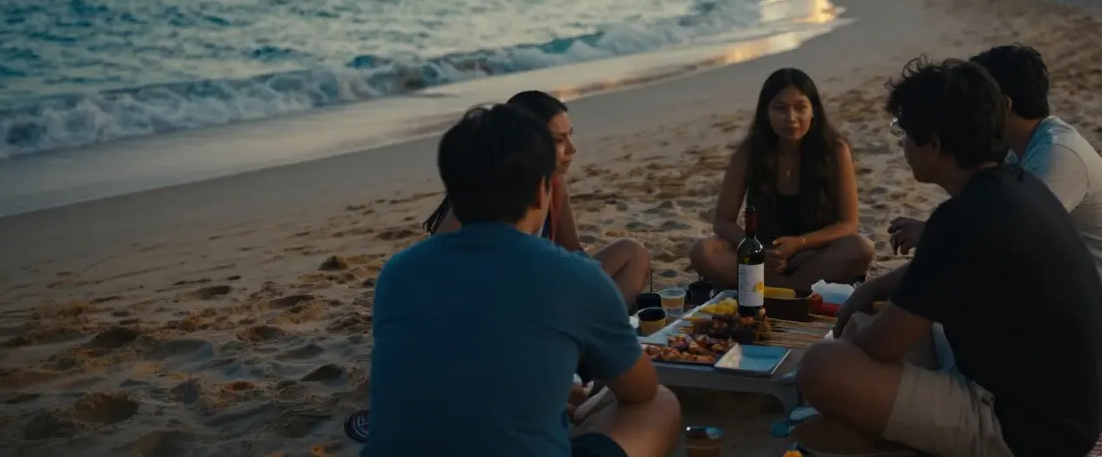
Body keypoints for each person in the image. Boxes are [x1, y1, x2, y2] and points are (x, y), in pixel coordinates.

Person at [796, 57, 1102, 457]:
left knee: (822, 367)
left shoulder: (963, 218)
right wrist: (874, 289)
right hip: (1067, 409)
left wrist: (854, 349)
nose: (902, 144)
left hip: (1026, 430)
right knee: (867, 319)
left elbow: (883, 348)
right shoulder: (1016, 188)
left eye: (905, 132)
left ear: (934, 144)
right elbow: (942, 276)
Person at [366, 104, 682, 457]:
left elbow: (437, 372)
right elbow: (640, 390)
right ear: (540, 191)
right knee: (660, 405)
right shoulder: (575, 276)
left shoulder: (397, 273)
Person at [890, 45, 1102, 348]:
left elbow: (1000, 241)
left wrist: (930, 237)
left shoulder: (1056, 155)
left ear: (1004, 104)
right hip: (1065, 297)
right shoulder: (1022, 147)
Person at [426, 91, 651, 311]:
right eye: (560, 140)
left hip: (546, 278)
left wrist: (584, 277)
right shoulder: (486, 194)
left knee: (632, 253)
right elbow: (438, 263)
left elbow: (572, 249)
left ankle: (608, 330)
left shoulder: (553, 183)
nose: (572, 149)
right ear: (529, 142)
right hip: (505, 297)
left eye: (570, 135)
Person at [689, 68, 874, 290]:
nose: (791, 118)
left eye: (800, 108)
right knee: (704, 251)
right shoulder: (749, 153)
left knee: (861, 248)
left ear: (814, 110)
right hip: (765, 258)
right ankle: (793, 290)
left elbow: (848, 224)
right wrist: (757, 249)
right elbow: (723, 221)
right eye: (780, 108)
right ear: (765, 113)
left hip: (815, 256)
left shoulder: (834, 151)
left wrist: (799, 244)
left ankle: (780, 289)